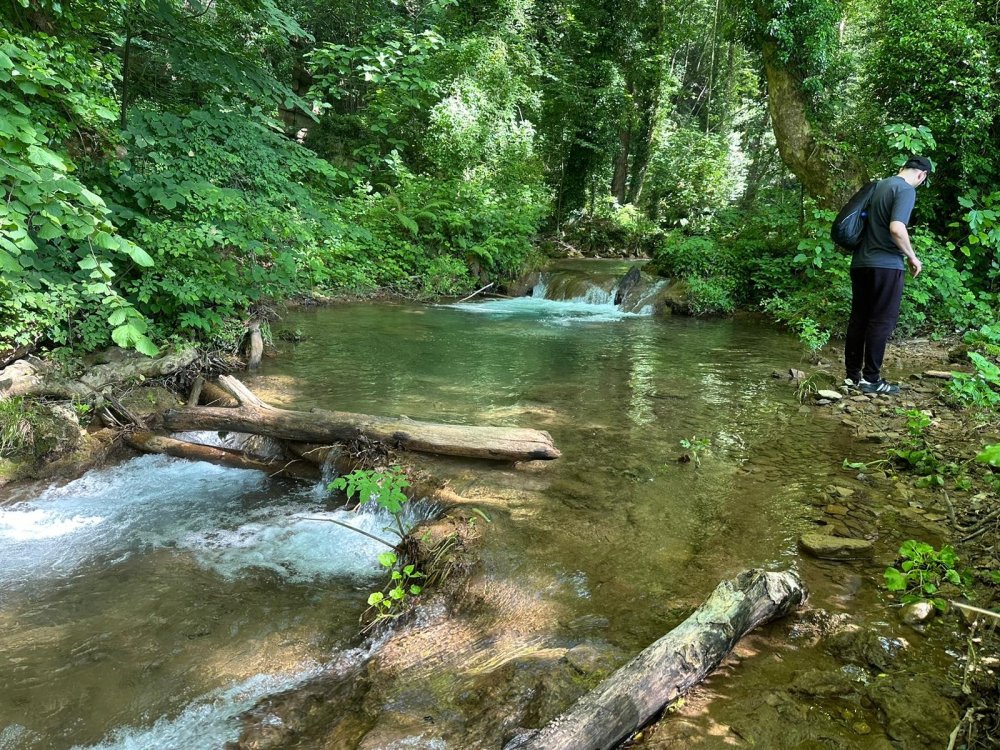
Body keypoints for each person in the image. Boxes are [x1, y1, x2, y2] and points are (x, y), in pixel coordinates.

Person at [844, 156, 932, 395]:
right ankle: (871, 380)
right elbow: (896, 228)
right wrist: (912, 256)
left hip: (860, 262)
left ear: (901, 168)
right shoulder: (904, 189)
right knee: (881, 321)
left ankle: (852, 377)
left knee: (859, 319)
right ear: (921, 175)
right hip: (886, 265)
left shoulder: (878, 186)